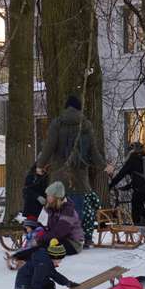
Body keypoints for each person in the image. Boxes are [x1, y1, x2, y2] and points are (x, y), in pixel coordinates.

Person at [36, 96, 105, 247]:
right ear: (79, 108)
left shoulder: (58, 123)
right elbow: (93, 151)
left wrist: (40, 165)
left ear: (66, 107)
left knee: (57, 209)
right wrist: (104, 165)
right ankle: (78, 239)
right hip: (79, 176)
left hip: (60, 174)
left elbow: (49, 146)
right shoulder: (85, 125)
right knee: (77, 208)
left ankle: (59, 238)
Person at [106, 141, 145, 225]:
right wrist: (127, 187)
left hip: (141, 189)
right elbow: (139, 176)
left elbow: (121, 174)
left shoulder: (133, 158)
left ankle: (137, 225)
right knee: (139, 203)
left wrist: (110, 185)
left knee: (135, 205)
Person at [34, 182, 83, 254]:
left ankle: (19, 258)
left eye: (49, 195)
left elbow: (59, 232)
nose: (46, 197)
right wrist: (38, 232)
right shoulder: (51, 208)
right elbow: (43, 224)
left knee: (42, 249)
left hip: (73, 244)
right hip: (59, 239)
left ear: (55, 197)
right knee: (38, 247)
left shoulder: (68, 211)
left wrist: (41, 238)